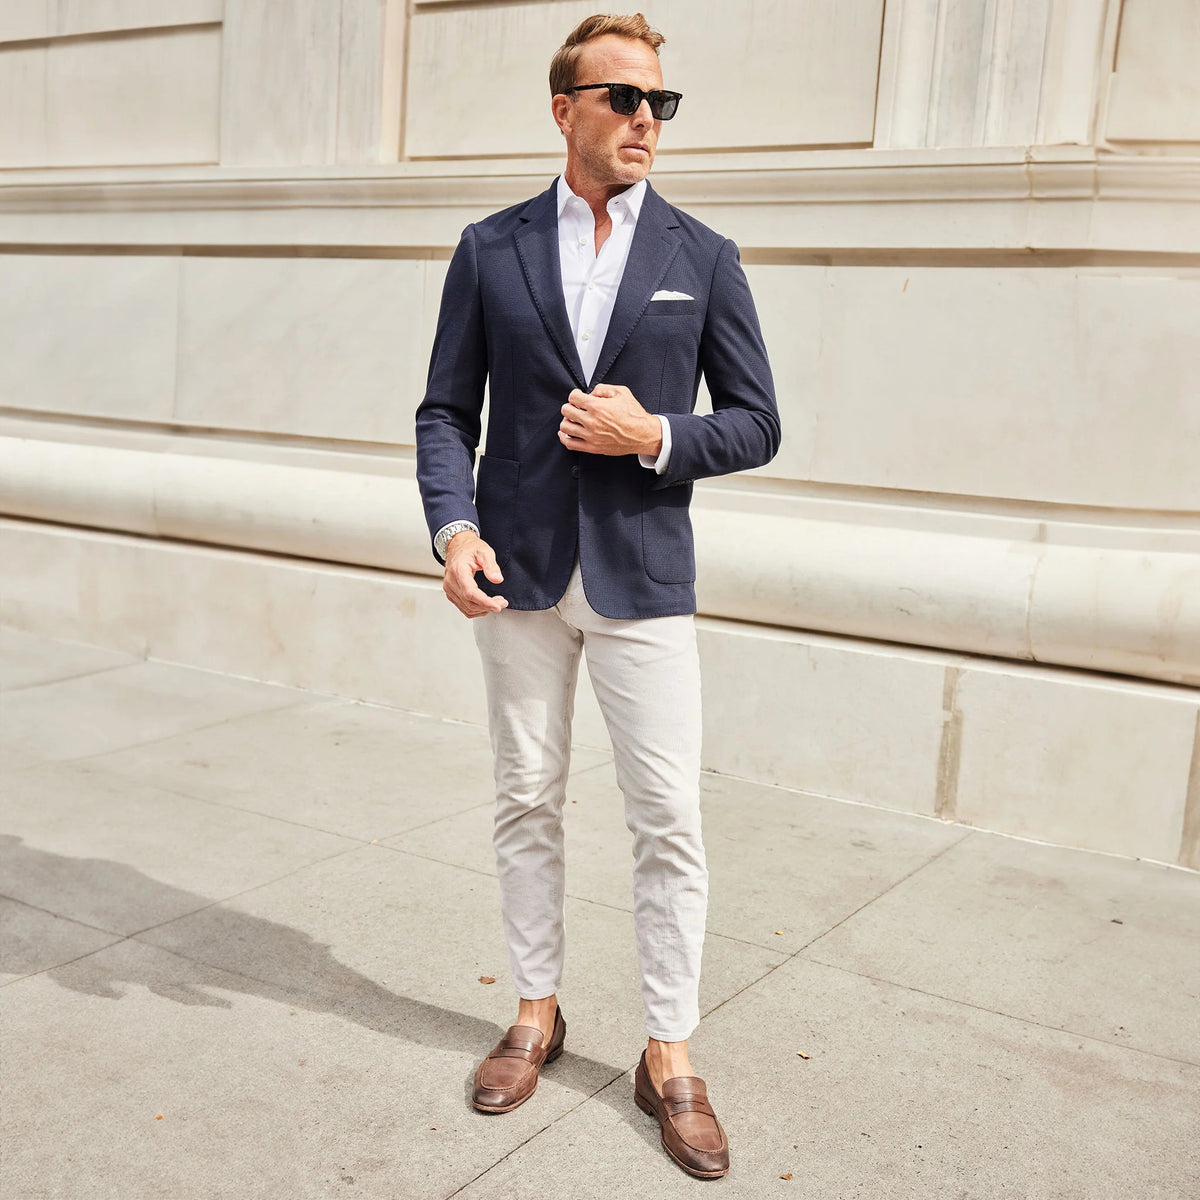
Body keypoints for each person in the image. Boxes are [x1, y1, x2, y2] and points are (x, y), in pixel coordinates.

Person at [415, 11, 779, 1179]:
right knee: (527, 798)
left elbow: (759, 422)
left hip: (642, 575)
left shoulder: (701, 255)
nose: (645, 122)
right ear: (563, 108)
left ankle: (669, 1051)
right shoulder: (490, 245)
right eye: (623, 99)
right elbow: (443, 414)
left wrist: (654, 434)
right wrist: (453, 528)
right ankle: (537, 1010)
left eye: (660, 104)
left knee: (667, 817)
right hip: (518, 573)